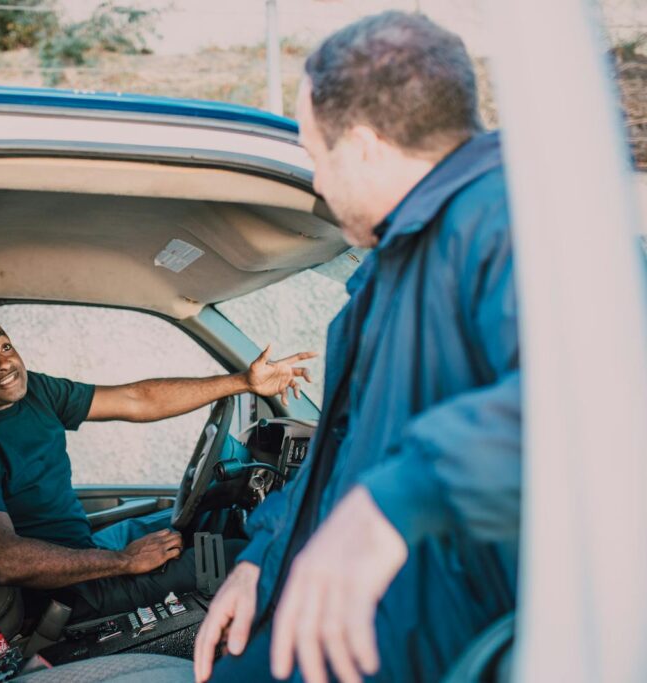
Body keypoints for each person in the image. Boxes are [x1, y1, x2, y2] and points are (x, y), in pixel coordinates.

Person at [194, 11, 521, 683]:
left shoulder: (515, 222)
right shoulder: (393, 265)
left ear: (366, 146)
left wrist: (394, 501)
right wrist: (262, 558)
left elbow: (598, 400)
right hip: (354, 630)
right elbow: (342, 449)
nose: (315, 183)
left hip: (442, 647)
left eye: (316, 155)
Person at [0, 314, 316, 621]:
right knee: (245, 555)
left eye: (5, 346)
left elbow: (135, 400)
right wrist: (124, 561)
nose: (4, 363)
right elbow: (5, 559)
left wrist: (243, 381)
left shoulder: (34, 393)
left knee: (202, 522)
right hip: (62, 593)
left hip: (86, 552)